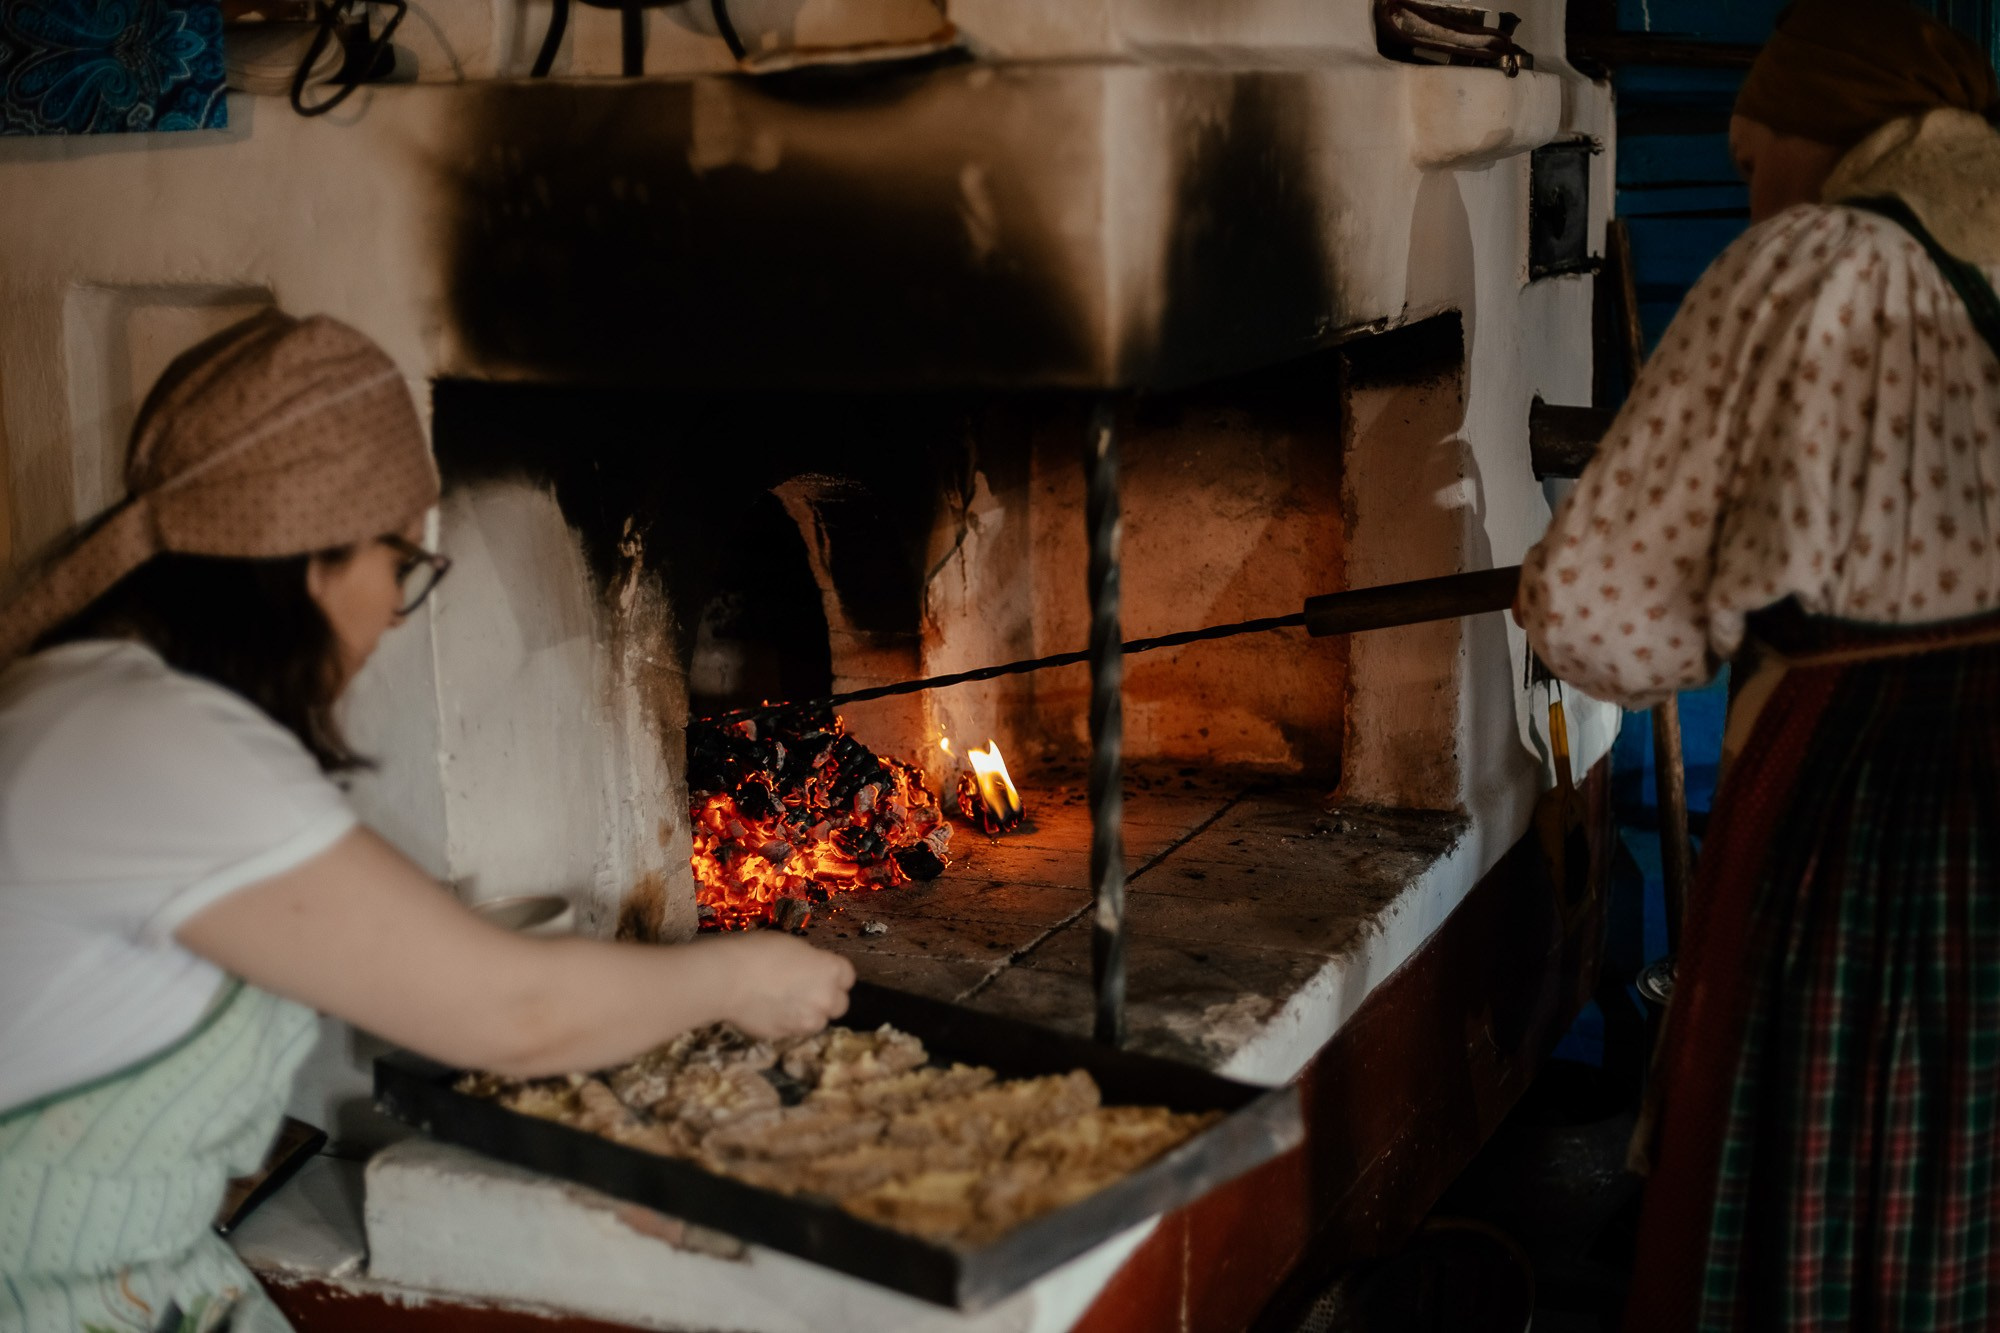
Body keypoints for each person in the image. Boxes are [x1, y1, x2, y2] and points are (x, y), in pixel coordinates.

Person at [0, 312, 856, 1333]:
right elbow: (513, 1017)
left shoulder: (103, 701)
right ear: (309, 555)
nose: (399, 610)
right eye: (401, 561)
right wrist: (741, 973)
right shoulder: (157, 746)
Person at [1520, 1, 2000, 1328]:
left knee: (1847, 1183)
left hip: (1876, 788)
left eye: (1746, 163)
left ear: (1825, 132)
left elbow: (1601, 622)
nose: (1748, 195)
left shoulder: (1817, 259)